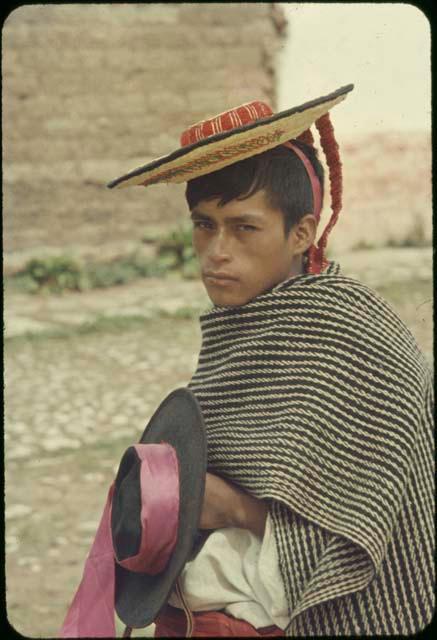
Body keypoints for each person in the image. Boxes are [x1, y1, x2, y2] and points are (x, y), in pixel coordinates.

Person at [108, 86, 434, 636]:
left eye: (244, 227)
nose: (217, 252)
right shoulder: (239, 331)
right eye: (203, 225)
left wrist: (235, 510)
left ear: (301, 233)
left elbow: (380, 531)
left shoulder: (357, 338)